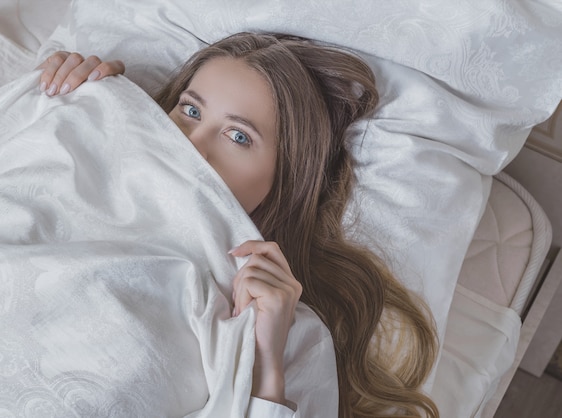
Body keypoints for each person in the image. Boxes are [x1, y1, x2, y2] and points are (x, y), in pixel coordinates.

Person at [36, 33, 439, 418]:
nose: (191, 144)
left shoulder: (283, 325)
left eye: (238, 136)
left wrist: (265, 368)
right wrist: (58, 102)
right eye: (190, 110)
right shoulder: (68, 158)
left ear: (283, 183)